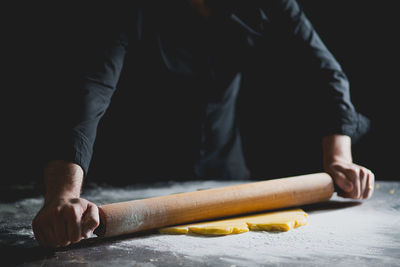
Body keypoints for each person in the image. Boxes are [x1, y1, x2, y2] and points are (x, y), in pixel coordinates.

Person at [32, 0, 375, 248]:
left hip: (225, 174)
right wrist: (64, 195)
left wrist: (339, 160)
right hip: (134, 181)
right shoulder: (130, 7)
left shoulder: (269, 4)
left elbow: (325, 74)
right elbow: (91, 88)